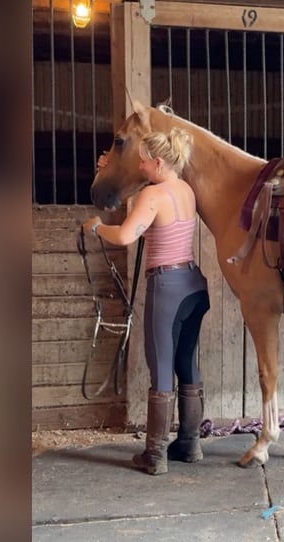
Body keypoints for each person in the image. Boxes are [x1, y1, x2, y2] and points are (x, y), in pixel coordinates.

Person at [83, 128, 210, 476]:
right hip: (193, 286)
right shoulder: (185, 190)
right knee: (187, 363)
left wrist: (96, 227)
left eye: (143, 160)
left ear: (157, 162)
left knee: (161, 366)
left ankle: (155, 454)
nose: (138, 165)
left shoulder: (152, 196)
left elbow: (125, 235)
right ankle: (189, 442)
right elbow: (143, 193)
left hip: (167, 287)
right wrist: (109, 166)